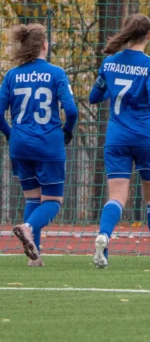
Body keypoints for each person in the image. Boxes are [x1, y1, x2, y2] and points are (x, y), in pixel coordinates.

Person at [89, 14, 150, 269]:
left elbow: (94, 96)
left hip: (116, 138)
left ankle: (104, 235)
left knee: (116, 196)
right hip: (146, 137)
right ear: (149, 35)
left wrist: (111, 85)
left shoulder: (109, 63)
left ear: (126, 32)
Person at [0, 24, 78, 266]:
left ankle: (35, 257)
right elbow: (71, 111)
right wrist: (67, 131)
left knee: (33, 199)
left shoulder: (12, 75)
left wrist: (11, 134)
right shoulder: (56, 73)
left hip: (20, 145)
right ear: (45, 45)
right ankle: (28, 227)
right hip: (48, 144)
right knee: (53, 201)